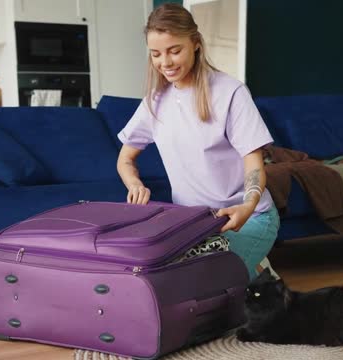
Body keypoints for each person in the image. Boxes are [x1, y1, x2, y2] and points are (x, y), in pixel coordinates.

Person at [116, 3, 279, 280]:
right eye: (156, 54)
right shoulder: (155, 103)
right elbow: (125, 159)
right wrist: (135, 185)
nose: (165, 62)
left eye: (174, 50)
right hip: (193, 225)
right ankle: (259, 274)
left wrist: (248, 205)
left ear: (195, 44)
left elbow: (254, 164)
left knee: (205, 284)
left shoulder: (230, 92)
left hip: (247, 218)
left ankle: (256, 276)